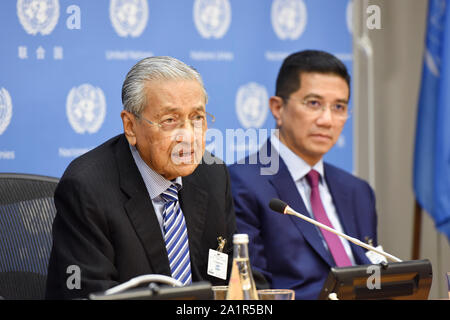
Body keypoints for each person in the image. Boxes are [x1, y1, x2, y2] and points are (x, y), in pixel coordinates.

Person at [46, 56, 238, 299]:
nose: (189, 136)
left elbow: (235, 276)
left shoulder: (213, 175)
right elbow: (86, 294)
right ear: (130, 126)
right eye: (170, 120)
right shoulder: (87, 188)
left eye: (197, 118)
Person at [228, 50, 378, 300]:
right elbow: (253, 293)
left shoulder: (358, 191)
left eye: (339, 107)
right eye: (314, 103)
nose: (327, 120)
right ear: (277, 107)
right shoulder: (242, 183)